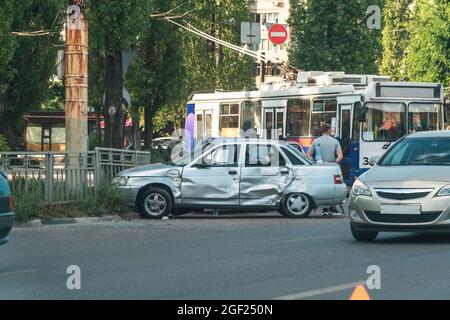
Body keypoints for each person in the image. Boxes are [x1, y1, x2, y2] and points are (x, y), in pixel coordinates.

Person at [307, 123, 344, 216]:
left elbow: (308, 155)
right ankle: (332, 208)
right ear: (328, 130)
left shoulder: (315, 141)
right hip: (331, 167)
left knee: (323, 186)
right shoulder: (335, 141)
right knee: (333, 187)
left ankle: (324, 208)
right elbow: (340, 156)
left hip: (319, 167)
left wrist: (314, 162)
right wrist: (335, 162)